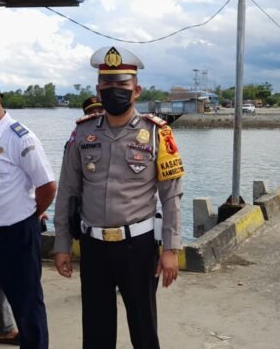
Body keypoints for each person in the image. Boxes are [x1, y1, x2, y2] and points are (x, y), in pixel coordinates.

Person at [52, 46, 184, 349]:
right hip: (93, 246)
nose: (114, 91)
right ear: (98, 89)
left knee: (143, 329)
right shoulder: (82, 134)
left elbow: (171, 195)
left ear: (136, 90)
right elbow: (68, 191)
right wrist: (61, 244)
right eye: (107, 85)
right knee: (96, 332)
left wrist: (171, 248)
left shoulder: (156, 134)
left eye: (122, 86)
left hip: (137, 248)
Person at [0, 70, 56, 349]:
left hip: (17, 236)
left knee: (27, 307)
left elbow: (47, 186)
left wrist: (31, 213)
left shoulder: (21, 137)